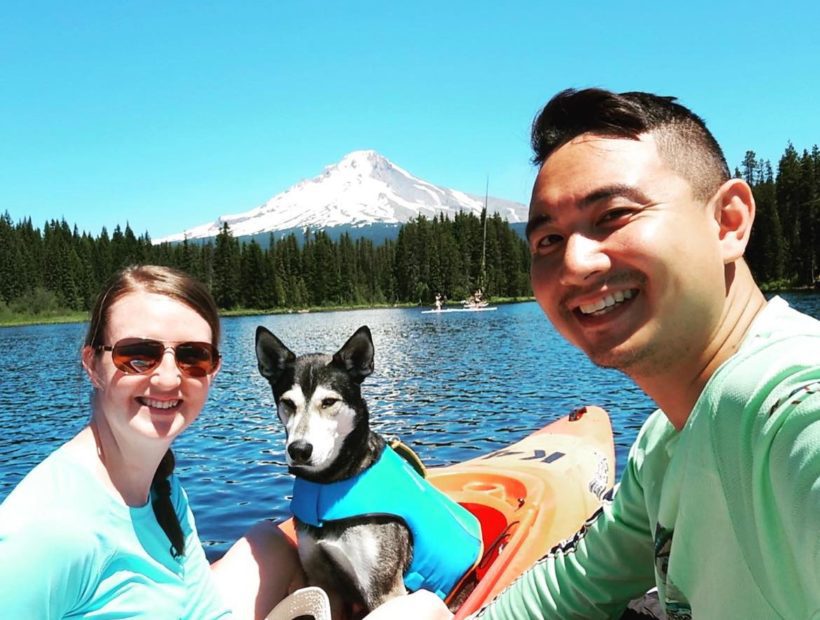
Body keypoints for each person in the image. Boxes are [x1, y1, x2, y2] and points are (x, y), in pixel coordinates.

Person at [384, 88, 820, 619]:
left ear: (728, 222)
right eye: (547, 240)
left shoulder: (792, 411)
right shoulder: (664, 441)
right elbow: (576, 585)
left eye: (613, 214)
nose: (575, 264)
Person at [0, 265, 304, 619]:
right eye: (138, 356)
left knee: (270, 543)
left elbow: (203, 610)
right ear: (92, 365)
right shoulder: (50, 531)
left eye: (194, 357)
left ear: (214, 370)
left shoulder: (161, 480)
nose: (168, 377)